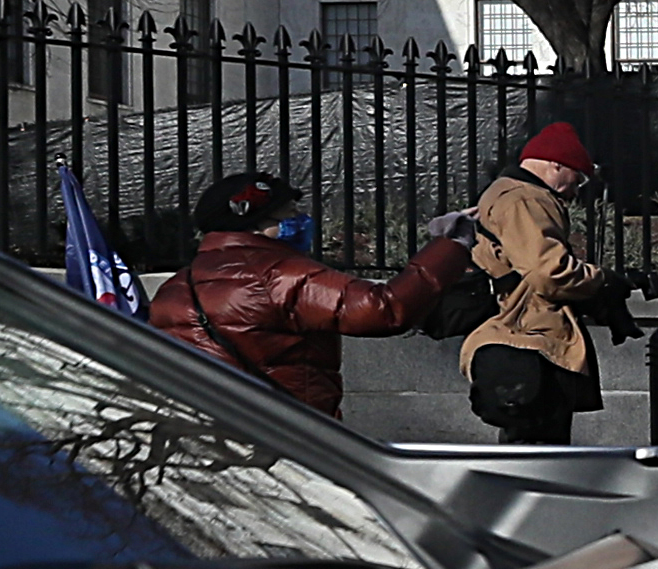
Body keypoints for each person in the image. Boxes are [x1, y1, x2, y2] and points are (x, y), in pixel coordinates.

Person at [145, 170, 470, 419]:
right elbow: (383, 309)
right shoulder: (278, 273)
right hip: (285, 435)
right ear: (258, 224)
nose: (300, 221)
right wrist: (451, 246)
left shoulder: (174, 288)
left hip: (202, 431)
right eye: (288, 214)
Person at [461, 119, 626, 447]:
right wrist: (602, 279)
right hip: (530, 341)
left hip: (523, 339)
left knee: (527, 452)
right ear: (555, 166)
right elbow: (548, 272)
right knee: (540, 456)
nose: (576, 191)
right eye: (576, 179)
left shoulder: (510, 194)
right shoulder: (526, 200)